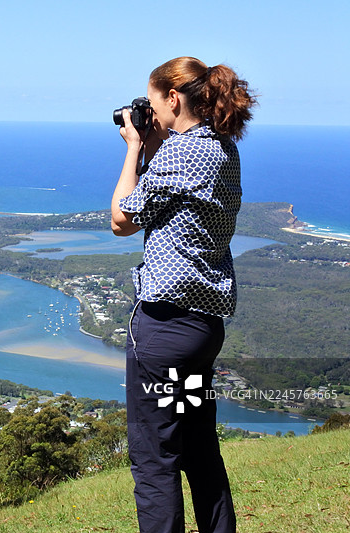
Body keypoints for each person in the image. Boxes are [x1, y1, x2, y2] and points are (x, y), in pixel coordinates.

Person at [111, 57, 257, 533]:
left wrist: (135, 147)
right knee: (198, 449)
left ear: (172, 99)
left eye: (153, 103)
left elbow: (121, 220)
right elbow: (171, 203)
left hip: (165, 331)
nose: (149, 114)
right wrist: (156, 143)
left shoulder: (179, 153)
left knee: (155, 459)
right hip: (201, 330)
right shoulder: (221, 148)